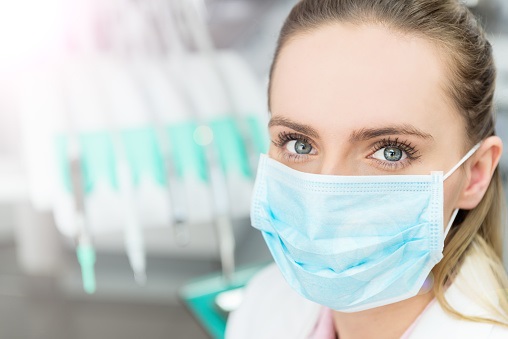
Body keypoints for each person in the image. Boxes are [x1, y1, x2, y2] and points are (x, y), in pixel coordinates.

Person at [225, 0, 508, 338]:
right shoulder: (263, 306)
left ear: (474, 174)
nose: (324, 199)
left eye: (390, 152)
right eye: (299, 144)